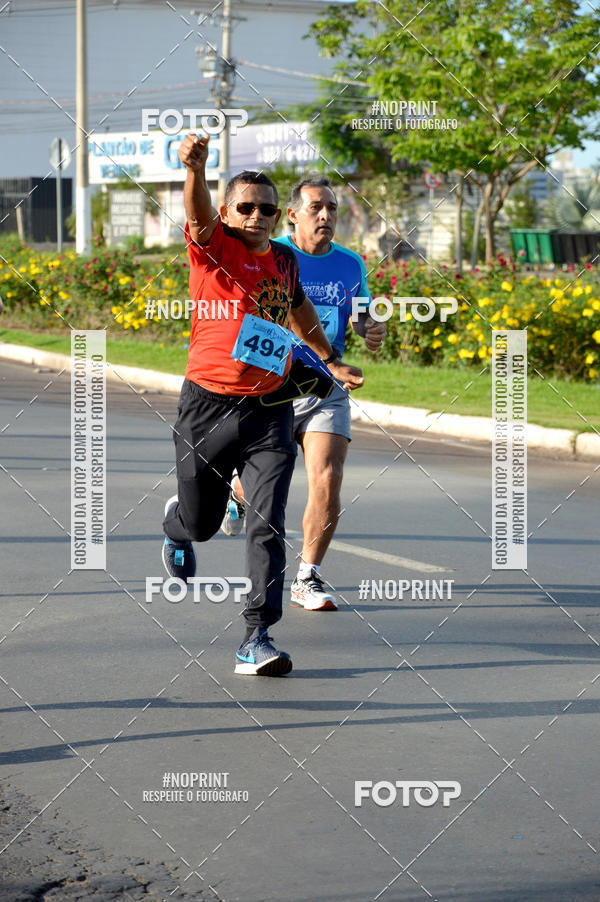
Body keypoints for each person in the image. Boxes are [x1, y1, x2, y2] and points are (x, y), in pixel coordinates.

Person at [162, 136, 364, 676]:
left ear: (280, 217)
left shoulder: (282, 259)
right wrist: (196, 171)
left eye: (268, 209)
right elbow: (198, 213)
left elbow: (298, 309)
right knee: (203, 523)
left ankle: (257, 635)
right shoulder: (213, 248)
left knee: (266, 520)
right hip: (207, 406)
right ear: (229, 212)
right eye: (245, 207)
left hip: (270, 408)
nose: (257, 216)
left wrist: (329, 359)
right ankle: (178, 526)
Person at [221, 174, 386, 611]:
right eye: (316, 207)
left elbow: (362, 315)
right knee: (260, 487)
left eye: (332, 207)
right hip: (271, 384)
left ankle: (307, 577)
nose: (326, 215)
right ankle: (233, 493)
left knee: (328, 478)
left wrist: (371, 329)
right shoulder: (272, 256)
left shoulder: (350, 265)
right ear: (291, 215)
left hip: (326, 387)